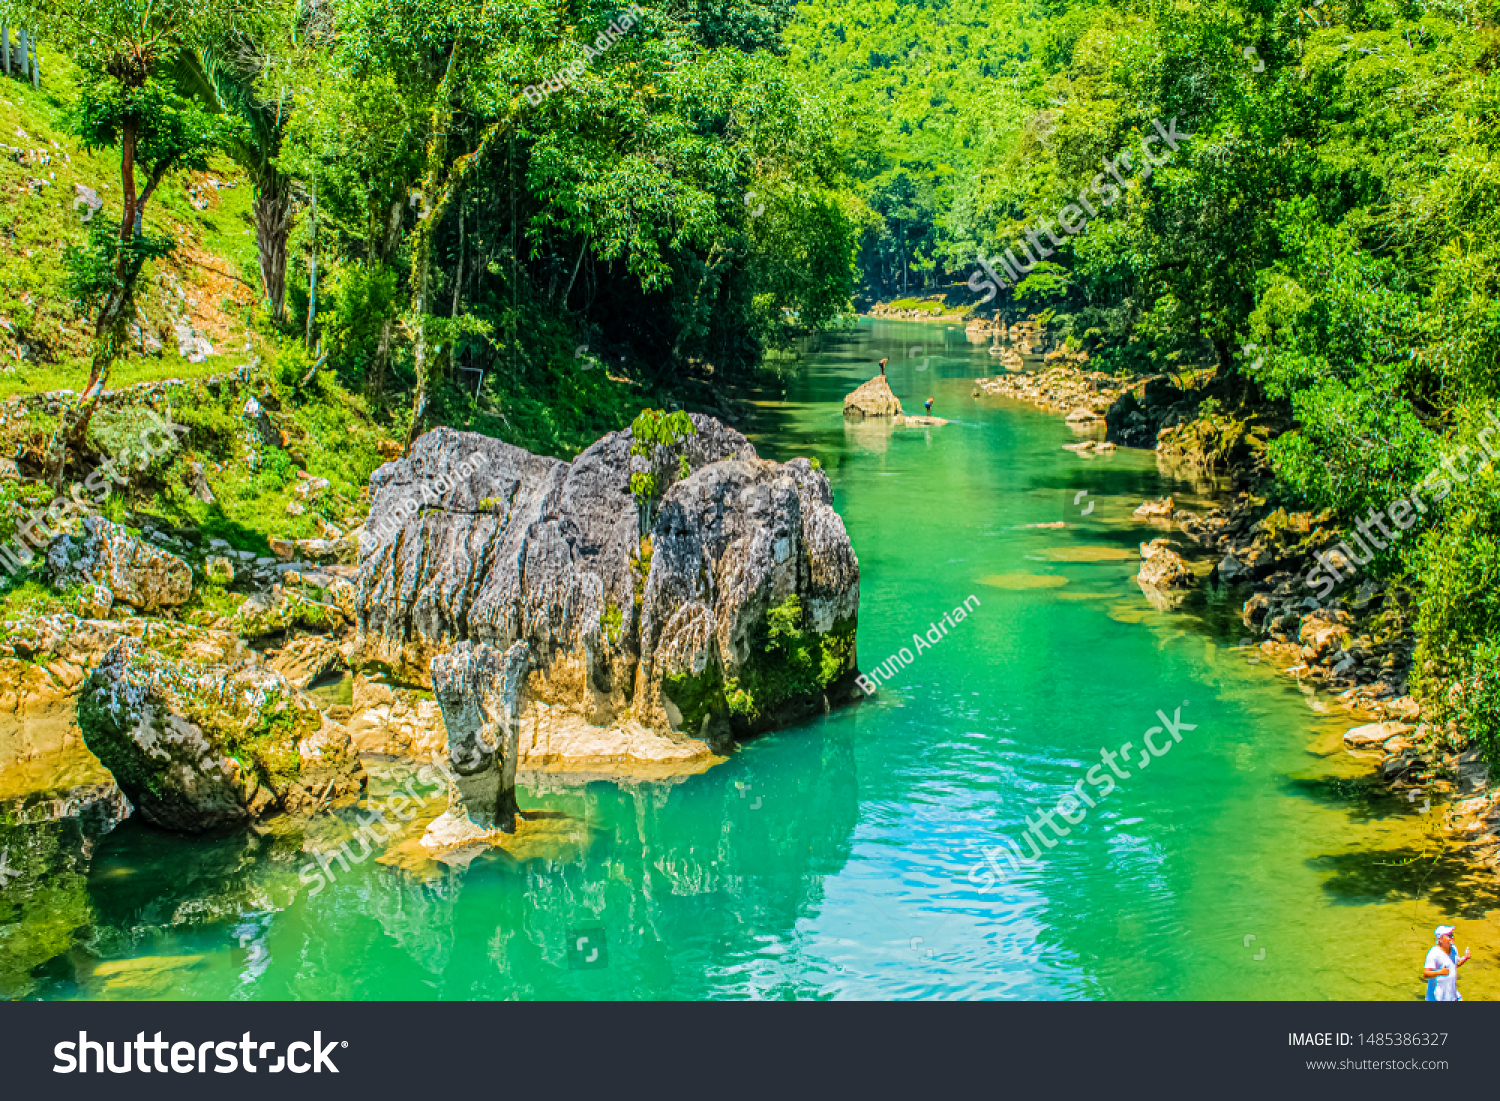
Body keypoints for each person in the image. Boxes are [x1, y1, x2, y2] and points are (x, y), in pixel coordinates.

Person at [1424, 925, 1470, 1001]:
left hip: (1453, 995)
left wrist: (1465, 958)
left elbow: (1455, 963)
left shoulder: (1454, 949)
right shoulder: (1434, 953)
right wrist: (1439, 972)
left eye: (1452, 935)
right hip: (1437, 998)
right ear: (1440, 939)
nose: (1452, 938)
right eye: (1449, 936)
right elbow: (1426, 974)